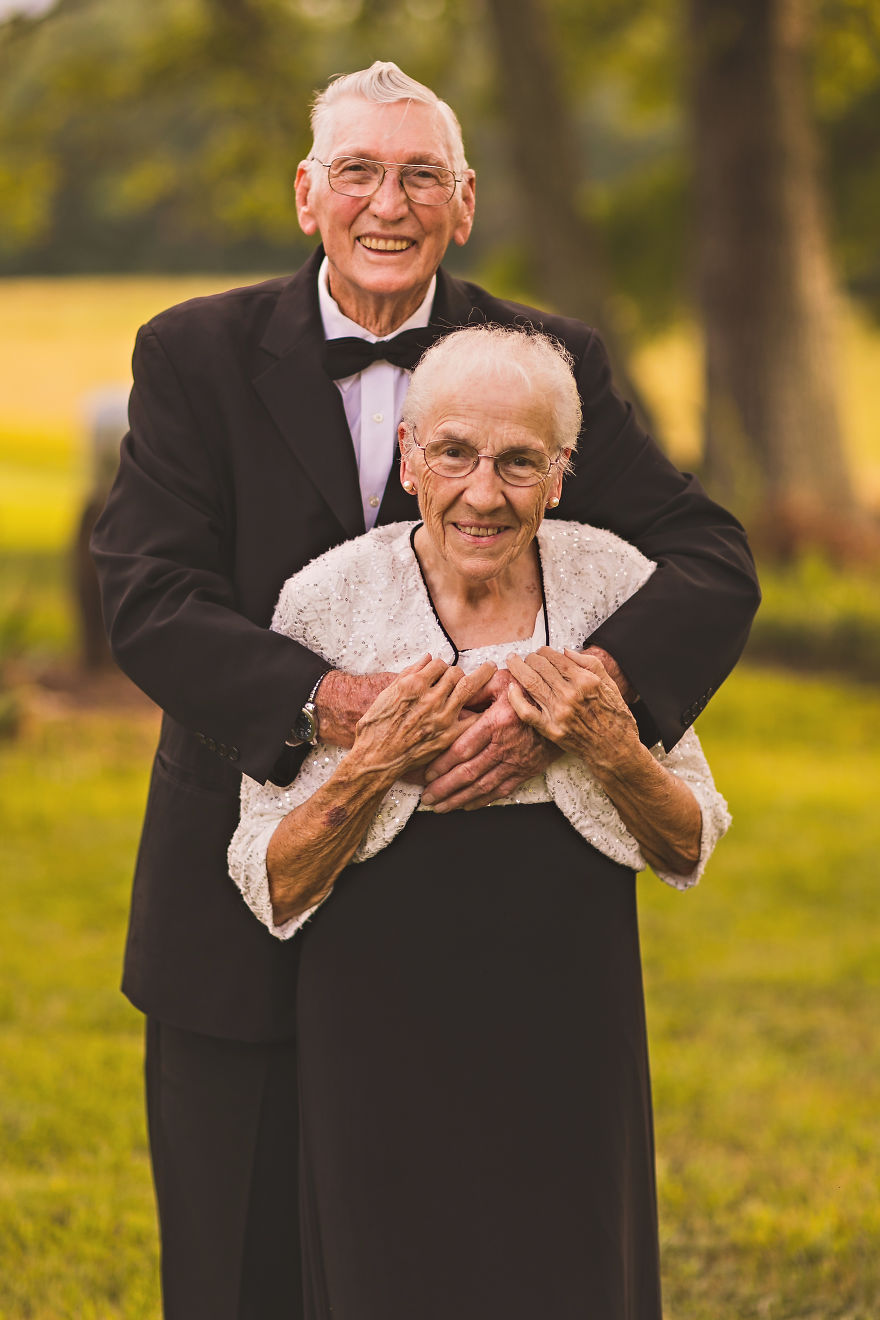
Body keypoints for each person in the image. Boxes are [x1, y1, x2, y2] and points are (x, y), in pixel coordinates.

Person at [91, 61, 758, 1320]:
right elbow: (149, 595)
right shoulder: (191, 354)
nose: (384, 203)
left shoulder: (545, 362)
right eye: (355, 171)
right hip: (241, 889)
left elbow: (709, 558)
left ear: (465, 203)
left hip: (471, 947)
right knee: (240, 1273)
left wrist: (569, 696)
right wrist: (345, 715)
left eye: (418, 176)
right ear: (306, 195)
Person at [228, 325, 731, 1319]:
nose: (484, 493)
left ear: (562, 473)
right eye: (453, 454)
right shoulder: (325, 600)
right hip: (377, 1031)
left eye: (518, 462)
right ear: (409, 458)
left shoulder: (612, 585)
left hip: (568, 1029)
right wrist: (373, 763)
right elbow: (272, 877)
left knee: (572, 1273)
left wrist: (606, 741)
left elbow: (686, 840)